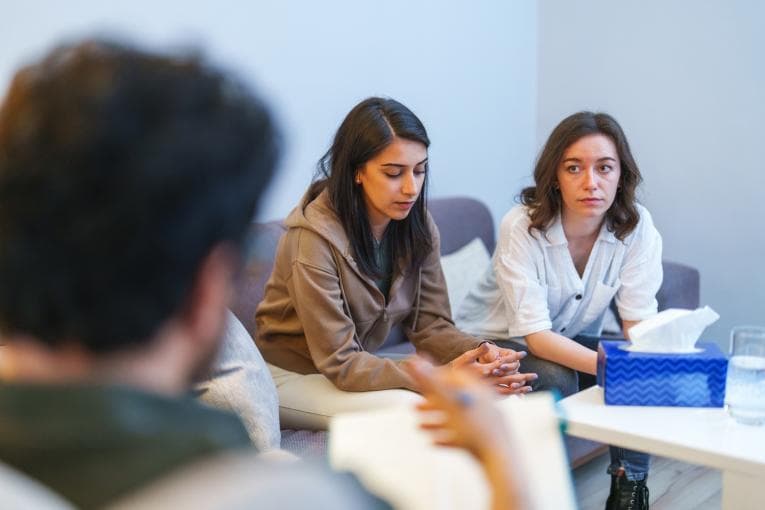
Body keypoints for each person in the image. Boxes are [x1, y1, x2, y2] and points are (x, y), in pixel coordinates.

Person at [255, 97, 537, 428]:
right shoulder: (311, 241)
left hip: (359, 365)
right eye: (393, 173)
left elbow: (430, 326)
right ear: (357, 171)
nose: (411, 188)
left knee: (499, 398)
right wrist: (441, 374)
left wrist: (481, 351)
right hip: (291, 375)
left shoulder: (418, 228)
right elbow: (341, 362)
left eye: (420, 171)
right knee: (421, 411)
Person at [456, 111, 661, 510]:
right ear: (554, 176)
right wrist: (611, 367)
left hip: (564, 336)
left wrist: (644, 365)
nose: (591, 182)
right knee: (554, 375)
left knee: (638, 369)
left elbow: (638, 323)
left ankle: (629, 489)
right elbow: (535, 335)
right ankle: (539, 493)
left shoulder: (637, 228)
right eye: (574, 168)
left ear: (621, 175)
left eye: (604, 167)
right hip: (496, 338)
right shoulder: (522, 226)